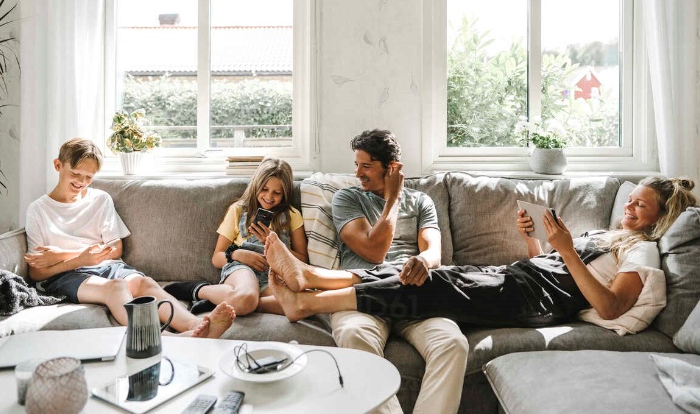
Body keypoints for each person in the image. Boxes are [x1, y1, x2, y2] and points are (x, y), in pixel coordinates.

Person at [265, 177, 696, 332]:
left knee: (426, 283)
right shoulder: (610, 235)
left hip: (533, 301)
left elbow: (610, 306)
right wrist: (535, 242)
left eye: (640, 205)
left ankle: (307, 299)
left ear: (659, 218)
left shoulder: (643, 253)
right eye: (631, 200)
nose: (630, 207)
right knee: (418, 271)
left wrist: (565, 250)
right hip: (521, 276)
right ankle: (312, 281)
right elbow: (558, 265)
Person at [24, 138, 236, 338]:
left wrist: (65, 254)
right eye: (76, 174)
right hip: (64, 276)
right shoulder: (38, 210)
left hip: (107, 266)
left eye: (89, 177)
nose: (81, 182)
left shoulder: (100, 199)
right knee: (117, 287)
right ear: (58, 165)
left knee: (145, 284)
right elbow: (37, 272)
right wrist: (80, 260)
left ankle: (196, 327)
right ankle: (164, 338)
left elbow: (115, 249)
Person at [322, 129, 468, 414]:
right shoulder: (347, 199)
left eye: (366, 166)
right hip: (364, 295)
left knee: (453, 343)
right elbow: (373, 252)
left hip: (410, 291)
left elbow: (433, 252)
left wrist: (423, 261)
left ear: (392, 169)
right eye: (357, 165)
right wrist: (394, 197)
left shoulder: (422, 201)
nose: (358, 173)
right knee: (353, 334)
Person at [165, 157, 307, 315]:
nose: (269, 196)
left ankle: (223, 299)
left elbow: (302, 260)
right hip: (242, 268)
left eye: (277, 192)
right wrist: (238, 254)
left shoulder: (292, 215)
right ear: (256, 186)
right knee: (246, 298)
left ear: (285, 193)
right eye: (264, 189)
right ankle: (200, 290)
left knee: (300, 304)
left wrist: (275, 246)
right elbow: (217, 257)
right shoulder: (238, 210)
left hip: (273, 275)